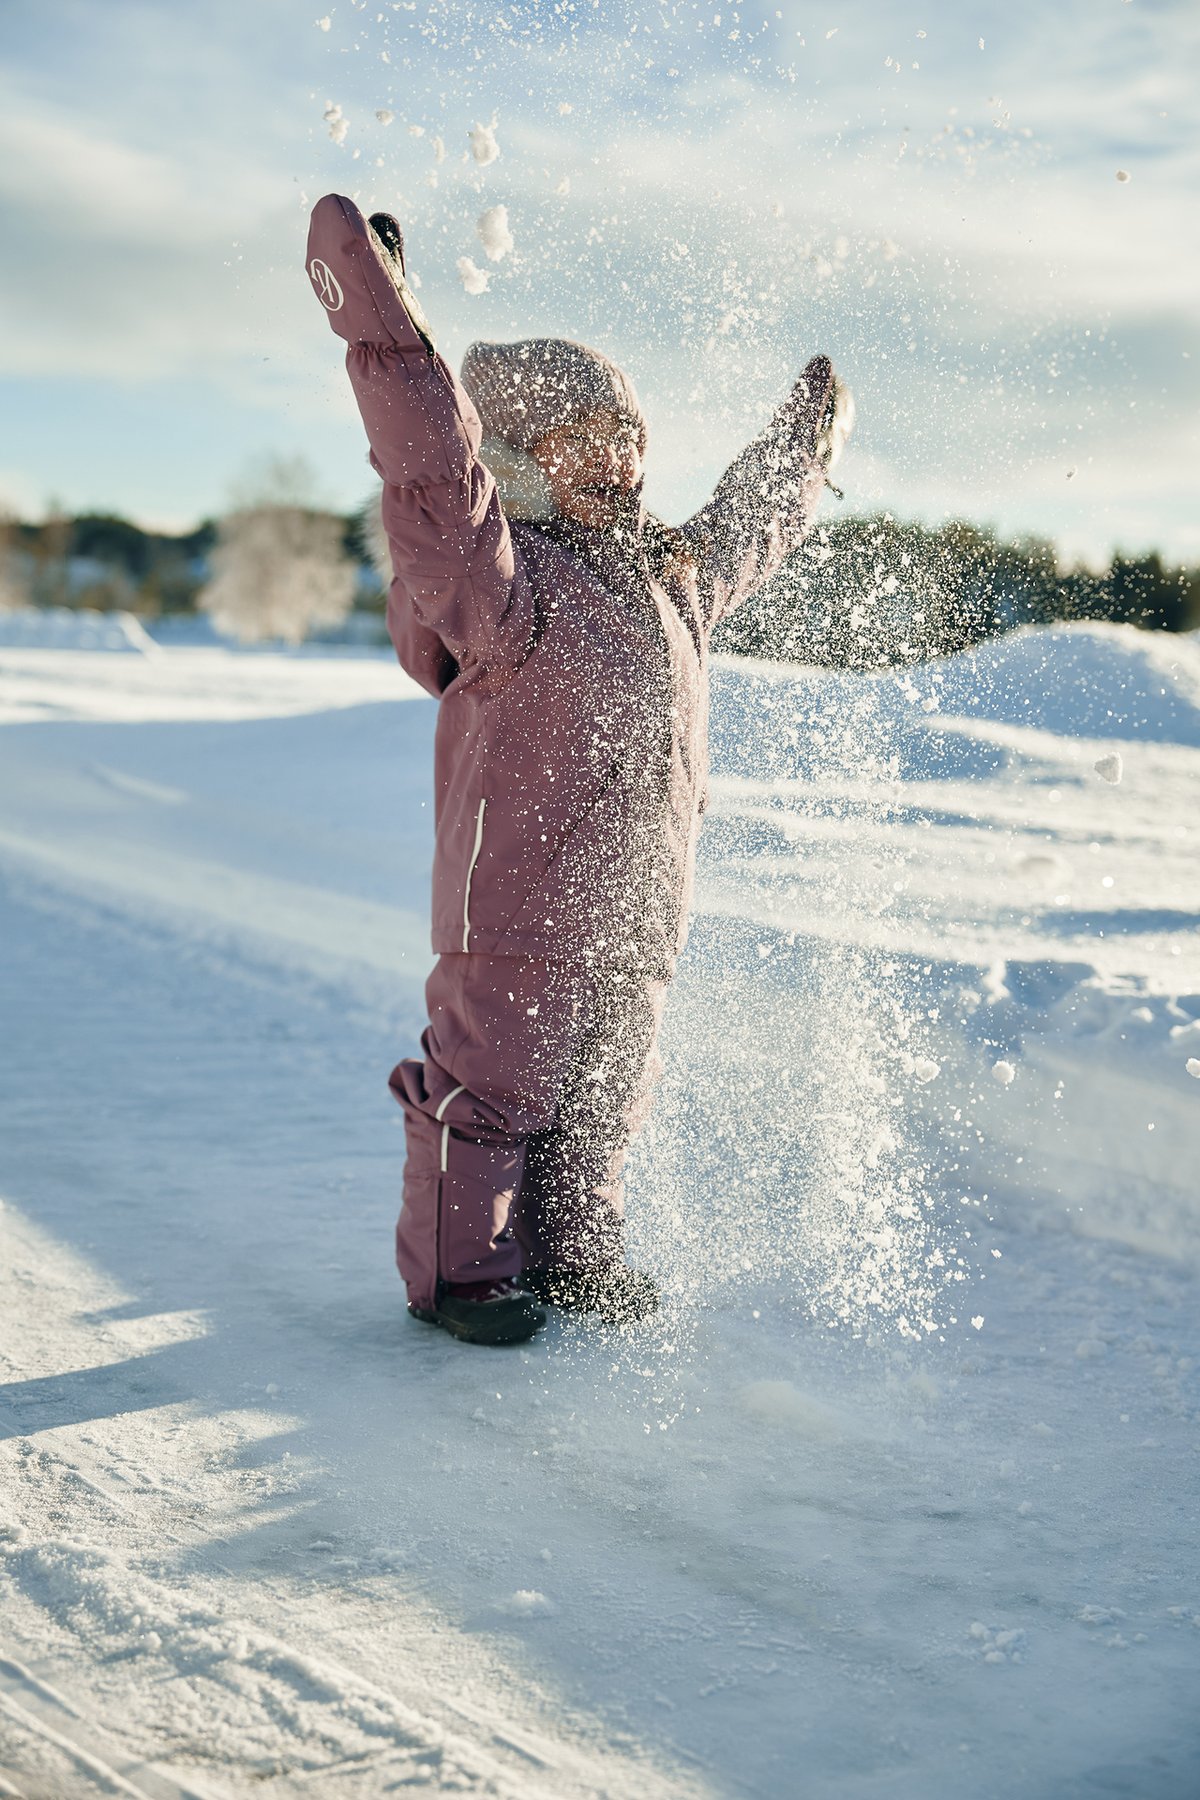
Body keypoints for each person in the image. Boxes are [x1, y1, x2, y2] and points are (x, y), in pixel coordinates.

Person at [305, 193, 853, 1346]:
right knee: (496, 1089)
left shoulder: (674, 578)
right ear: (517, 454)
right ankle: (465, 1275)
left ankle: (579, 1255)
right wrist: (392, 338)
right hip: (516, 901)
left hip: (640, 906)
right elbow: (432, 479)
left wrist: (801, 458)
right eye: (589, 434)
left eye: (632, 432)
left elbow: (748, 524)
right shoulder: (501, 582)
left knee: (605, 1101)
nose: (625, 453)